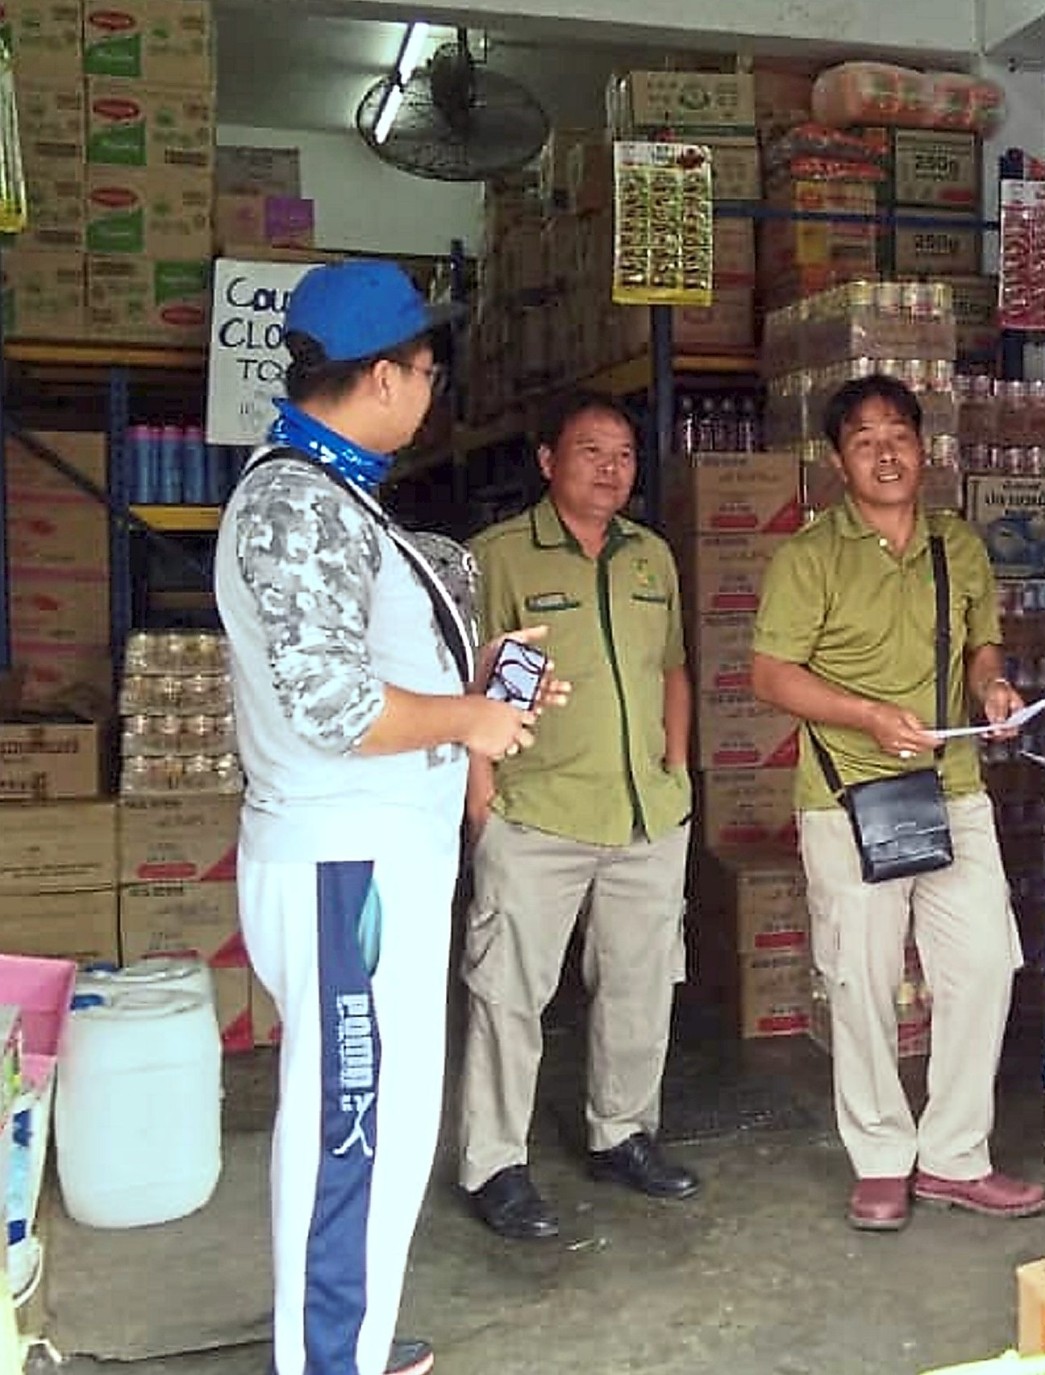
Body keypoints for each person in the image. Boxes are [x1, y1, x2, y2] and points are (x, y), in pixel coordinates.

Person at [216, 260, 561, 1375]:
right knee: (350, 1128)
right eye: (425, 367)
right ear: (377, 375)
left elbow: (368, 659)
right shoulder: (294, 502)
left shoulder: (337, 494)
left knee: (386, 1117)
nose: (432, 387)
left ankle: (348, 1337)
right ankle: (327, 1360)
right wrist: (468, 717)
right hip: (344, 864)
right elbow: (332, 702)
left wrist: (482, 673)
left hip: (376, 858)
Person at [751, 373, 1045, 1233]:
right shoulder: (809, 556)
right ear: (837, 460)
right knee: (862, 980)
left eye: (899, 435)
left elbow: (982, 647)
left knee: (985, 965)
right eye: (864, 439)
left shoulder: (959, 544)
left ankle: (956, 1154)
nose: (886, 452)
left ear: (926, 448)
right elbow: (769, 674)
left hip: (953, 789)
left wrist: (993, 692)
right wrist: (867, 718)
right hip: (850, 797)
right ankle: (881, 1155)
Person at [455, 393, 701, 1240]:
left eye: (625, 453)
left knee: (641, 983)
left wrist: (676, 765)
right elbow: (469, 689)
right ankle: (495, 1161)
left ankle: (622, 1132)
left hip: (645, 813)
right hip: (537, 811)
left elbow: (673, 666)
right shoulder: (497, 558)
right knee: (509, 992)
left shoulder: (652, 558)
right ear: (546, 460)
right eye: (591, 450)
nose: (610, 467)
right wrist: (480, 798)